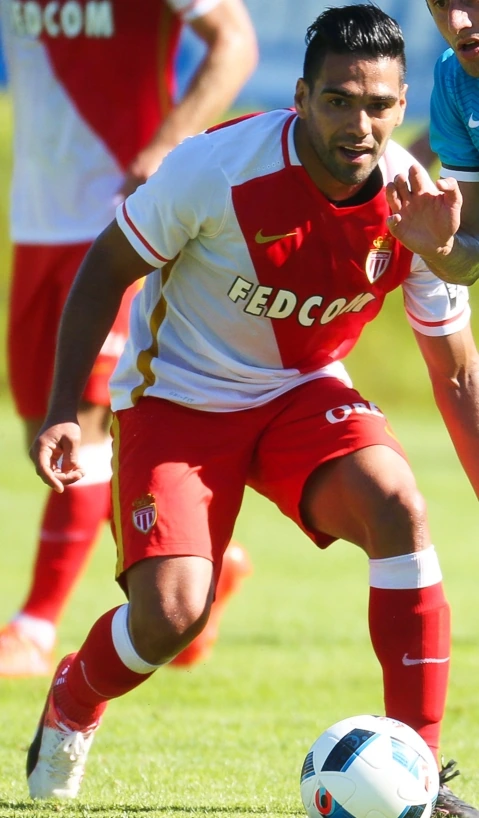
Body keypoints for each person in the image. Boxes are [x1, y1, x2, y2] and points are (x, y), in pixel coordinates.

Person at [25, 3, 479, 811]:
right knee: (169, 617)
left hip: (302, 394)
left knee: (400, 508)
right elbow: (105, 267)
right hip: (178, 401)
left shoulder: (418, 212)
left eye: (377, 105)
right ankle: (71, 699)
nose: (359, 124)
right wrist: (66, 405)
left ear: (402, 105)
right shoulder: (217, 168)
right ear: (300, 98)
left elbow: (454, 375)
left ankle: (420, 772)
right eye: (339, 100)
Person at [0, 0, 257, 677]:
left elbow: (235, 42)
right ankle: (200, 570)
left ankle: (33, 625)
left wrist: (169, 143)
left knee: (85, 424)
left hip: (124, 223)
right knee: (46, 428)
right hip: (35, 221)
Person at [385, 0, 479, 286]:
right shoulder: (453, 76)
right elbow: (470, 261)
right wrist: (443, 250)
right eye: (439, 3)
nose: (455, 22)